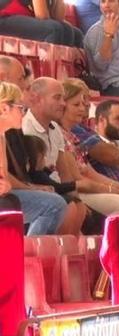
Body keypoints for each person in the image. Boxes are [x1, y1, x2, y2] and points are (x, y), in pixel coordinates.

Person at [57, 78, 119, 216]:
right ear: (63, 106)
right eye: (76, 105)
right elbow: (79, 180)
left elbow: (89, 172)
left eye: (84, 103)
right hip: (73, 190)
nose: (83, 108)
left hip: (86, 186)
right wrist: (115, 190)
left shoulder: (72, 136)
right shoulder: (59, 135)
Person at [0, 81, 68, 234]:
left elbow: (4, 180)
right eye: (21, 108)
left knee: (55, 203)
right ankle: (27, 253)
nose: (24, 113)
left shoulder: (2, 136)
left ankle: (27, 251)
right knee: (54, 205)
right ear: (4, 108)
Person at [22, 134, 88, 233]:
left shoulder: (39, 173)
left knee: (77, 205)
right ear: (38, 158)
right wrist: (76, 184)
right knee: (68, 205)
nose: (45, 160)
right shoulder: (37, 174)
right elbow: (55, 187)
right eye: (43, 157)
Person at [0, 0, 83, 47]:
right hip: (4, 18)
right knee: (55, 30)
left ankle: (72, 75)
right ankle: (47, 75)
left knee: (75, 33)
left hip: (22, 18)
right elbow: (42, 16)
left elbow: (58, 18)